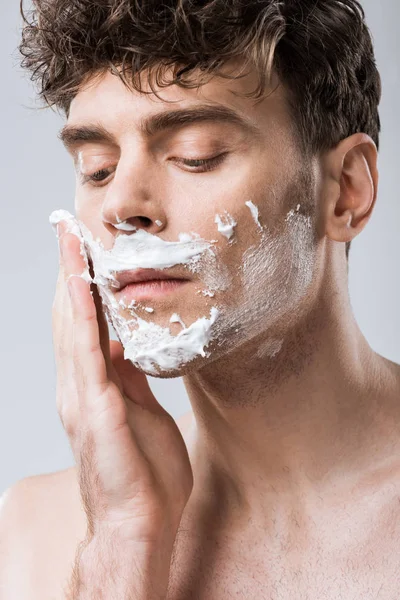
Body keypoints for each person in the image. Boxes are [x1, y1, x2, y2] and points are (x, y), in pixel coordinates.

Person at [1, 0, 399, 598]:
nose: (120, 206)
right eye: (97, 168)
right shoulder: (33, 536)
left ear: (346, 191)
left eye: (196, 154)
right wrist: (124, 542)